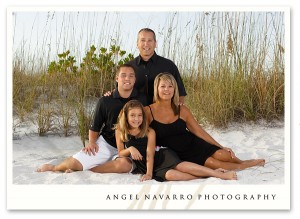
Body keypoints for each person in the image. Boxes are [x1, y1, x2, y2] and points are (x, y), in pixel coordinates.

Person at [36, 64, 147, 173]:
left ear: (135, 79)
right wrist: (92, 142)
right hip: (108, 144)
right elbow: (95, 126)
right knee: (75, 163)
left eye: (131, 75)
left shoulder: (142, 99)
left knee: (125, 166)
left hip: (132, 145)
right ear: (117, 78)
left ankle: (89, 169)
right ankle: (54, 168)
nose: (127, 78)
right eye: (123, 75)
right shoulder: (105, 101)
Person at [144, 73, 266, 171]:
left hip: (192, 143)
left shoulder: (182, 109)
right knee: (213, 163)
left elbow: (198, 131)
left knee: (223, 155)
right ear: (157, 89)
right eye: (163, 86)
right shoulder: (148, 111)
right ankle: (244, 166)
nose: (167, 90)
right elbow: (136, 131)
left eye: (170, 86)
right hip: (177, 152)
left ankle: (242, 162)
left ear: (174, 89)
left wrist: (221, 146)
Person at [115, 99, 237, 182]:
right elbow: (120, 152)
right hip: (149, 166)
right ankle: (209, 174)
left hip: (162, 155)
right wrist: (130, 149)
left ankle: (220, 175)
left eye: (139, 115)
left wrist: (149, 174)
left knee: (181, 166)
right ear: (126, 116)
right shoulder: (120, 130)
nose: (136, 119)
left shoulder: (149, 131)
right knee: (171, 175)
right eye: (132, 115)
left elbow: (150, 153)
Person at [128, 28, 187, 105]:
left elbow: (180, 94)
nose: (146, 44)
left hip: (163, 114)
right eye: (142, 40)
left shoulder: (169, 65)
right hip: (137, 115)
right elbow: (120, 91)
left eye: (150, 40)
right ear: (137, 44)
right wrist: (109, 94)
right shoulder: (128, 67)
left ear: (155, 44)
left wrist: (178, 112)